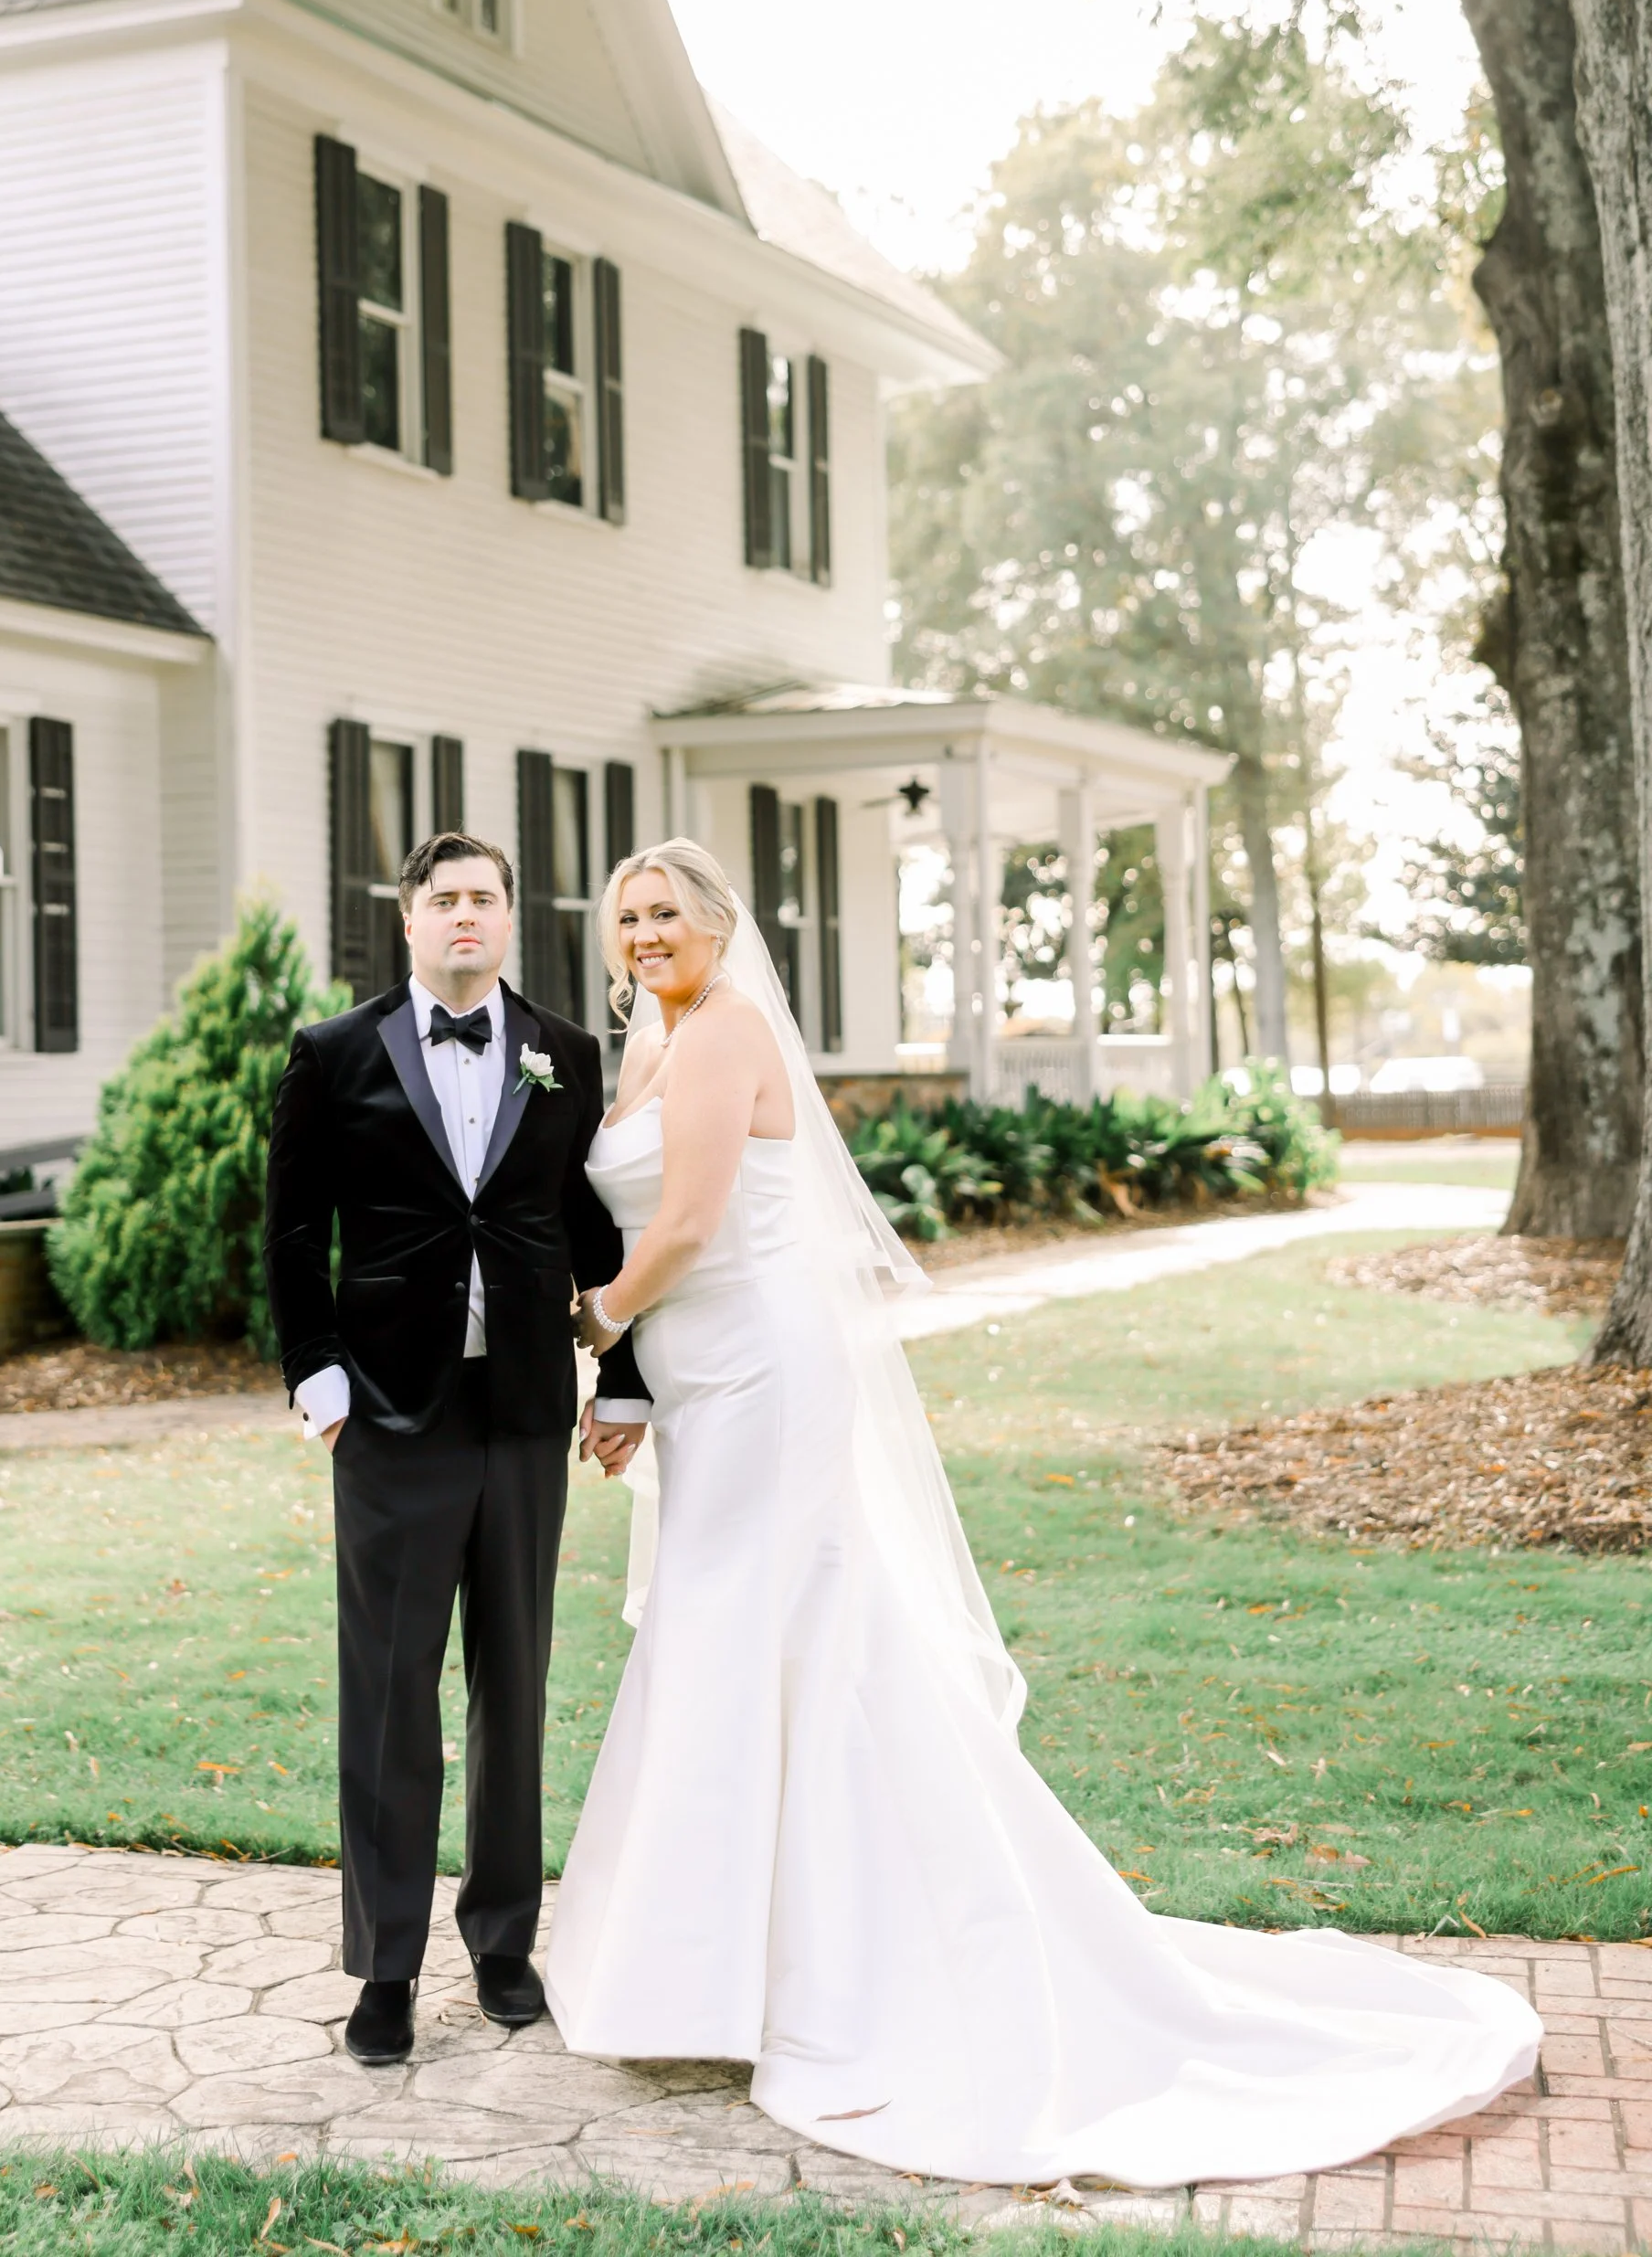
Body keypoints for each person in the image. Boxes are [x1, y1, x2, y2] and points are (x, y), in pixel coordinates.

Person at [543, 837, 1541, 2188]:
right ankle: (725, 1970)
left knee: (760, 1629)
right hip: (706, 1373)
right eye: (630, 916)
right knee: (743, 1638)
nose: (648, 932)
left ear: (719, 924)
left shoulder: (720, 1034)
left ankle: (815, 1973)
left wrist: (593, 1330)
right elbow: (644, 1230)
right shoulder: (651, 1043)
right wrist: (638, 1377)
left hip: (769, 1369)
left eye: (669, 911)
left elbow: (695, 1227)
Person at [263, 830, 650, 2065]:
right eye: (445, 900)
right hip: (388, 1414)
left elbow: (598, 1225)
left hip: (527, 1414)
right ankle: (382, 1965)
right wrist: (317, 1376)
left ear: (508, 917)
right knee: (388, 1695)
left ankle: (502, 1941)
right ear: (410, 920)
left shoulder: (566, 1055)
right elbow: (289, 1231)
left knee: (514, 1687)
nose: (466, 915)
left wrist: (627, 1378)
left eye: (485, 896)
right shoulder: (333, 1056)